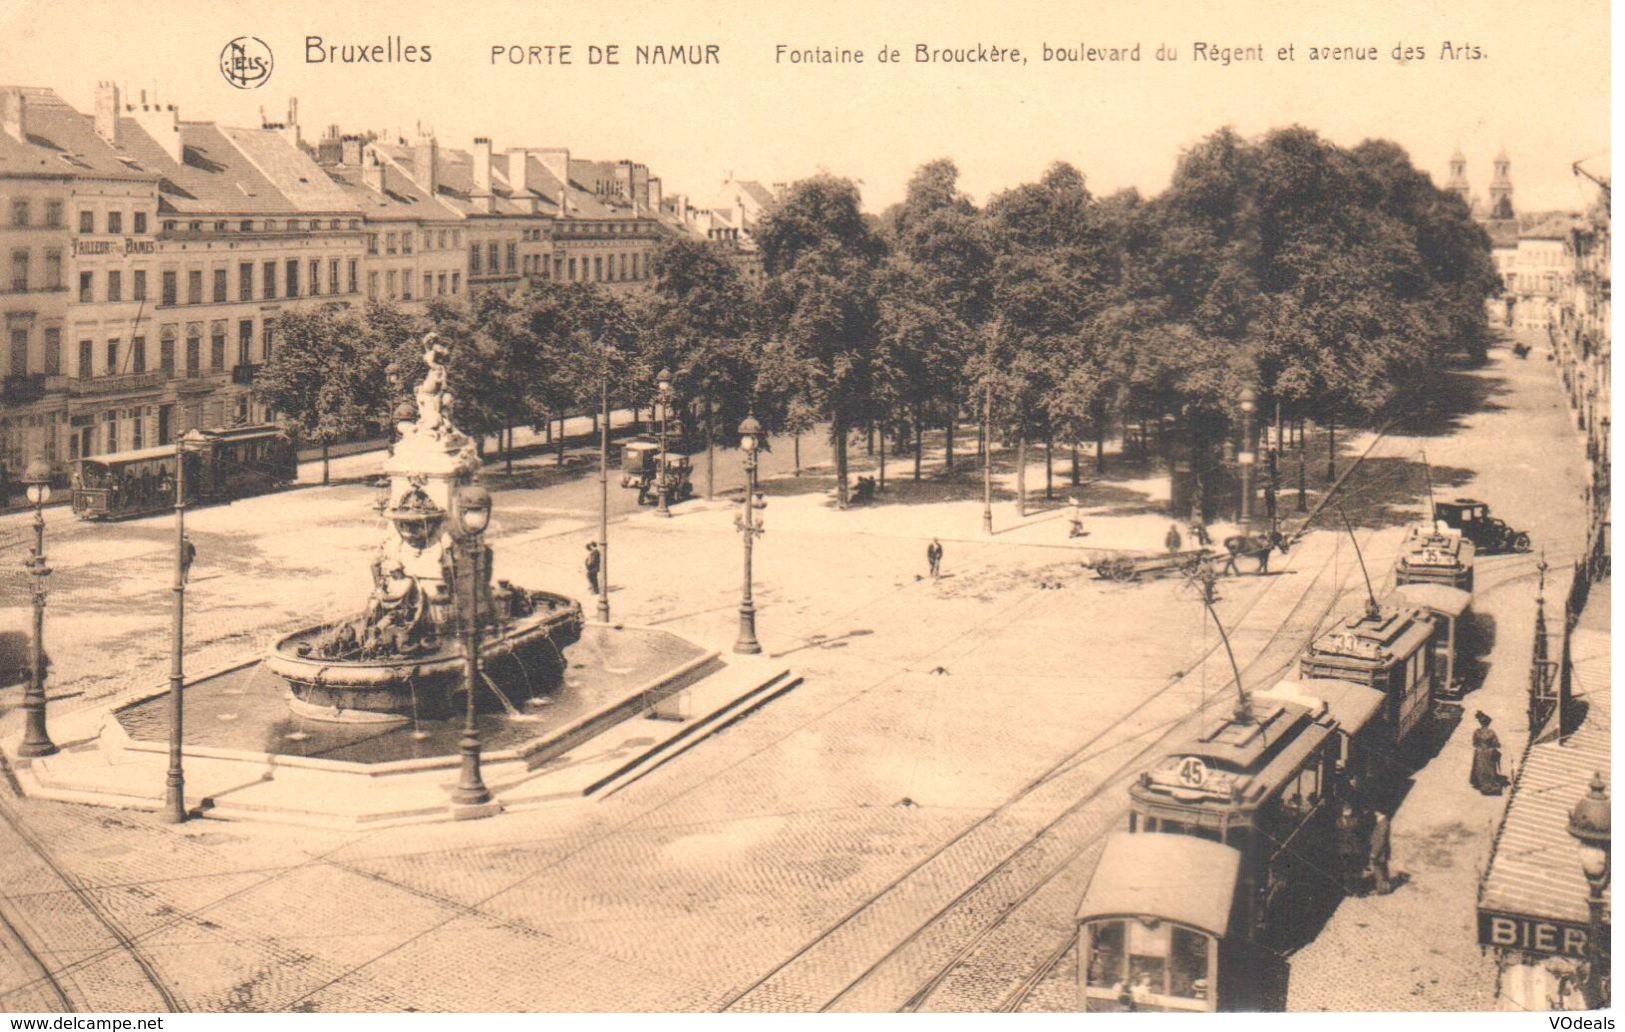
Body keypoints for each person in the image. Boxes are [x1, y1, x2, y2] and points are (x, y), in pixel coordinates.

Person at [1470, 711, 1505, 794]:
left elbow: (1474, 743)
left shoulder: (1477, 732)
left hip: (1479, 752)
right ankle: (1490, 783)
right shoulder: (1491, 732)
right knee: (1490, 768)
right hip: (1489, 752)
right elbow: (1496, 743)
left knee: (1480, 767)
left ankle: (1480, 783)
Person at [1336, 803, 1366, 896]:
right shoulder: (1339, 821)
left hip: (1354, 849)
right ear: (1343, 811)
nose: (1348, 812)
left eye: (1349, 810)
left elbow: (1355, 828)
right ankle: (1348, 890)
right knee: (1346, 870)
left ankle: (1358, 890)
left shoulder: (1355, 820)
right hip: (1344, 849)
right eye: (1346, 810)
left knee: (1356, 870)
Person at [1367, 809, 1393, 895]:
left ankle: (1381, 890)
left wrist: (1374, 853)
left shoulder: (1382, 823)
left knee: (1378, 870)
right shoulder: (1384, 822)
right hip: (1383, 851)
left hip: (1380, 851)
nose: (1374, 812)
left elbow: (1380, 840)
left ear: (1378, 812)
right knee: (1383, 869)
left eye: (1376, 811)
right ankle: (1386, 888)